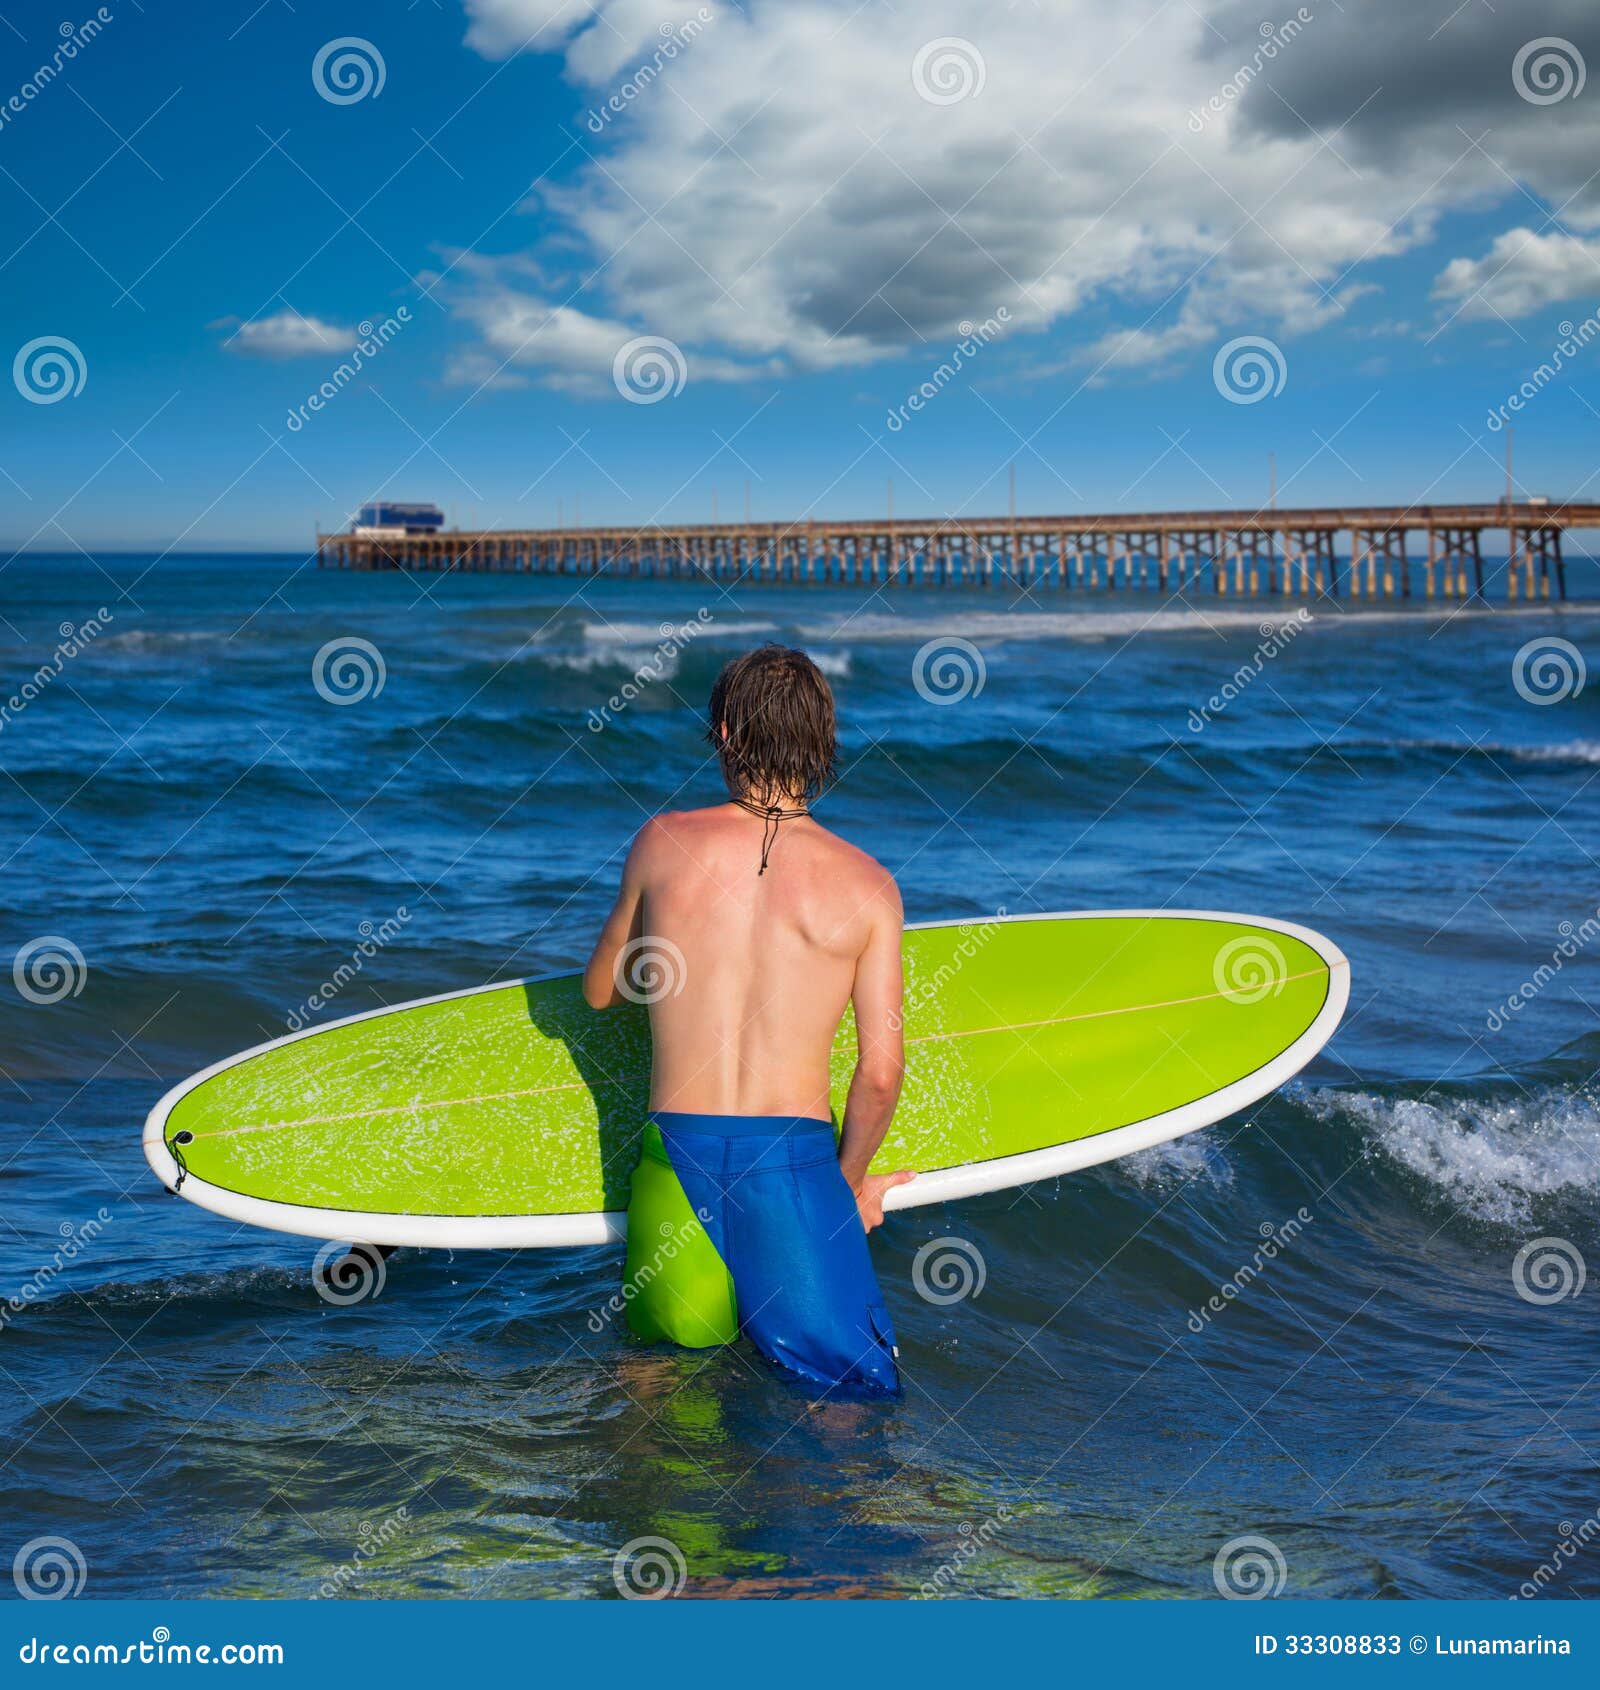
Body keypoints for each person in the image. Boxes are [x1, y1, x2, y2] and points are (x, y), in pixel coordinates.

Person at [583, 643, 913, 1395]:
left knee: (663, 1394)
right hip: (795, 1176)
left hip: (675, 1161)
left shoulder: (661, 842)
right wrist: (849, 1188)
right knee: (843, 1408)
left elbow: (603, 991)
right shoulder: (867, 885)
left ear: (725, 733)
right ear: (823, 744)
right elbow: (881, 1072)